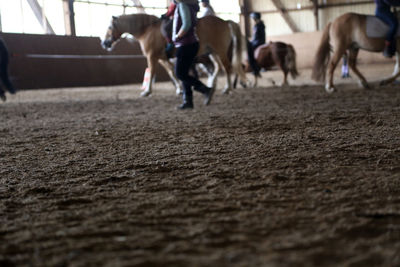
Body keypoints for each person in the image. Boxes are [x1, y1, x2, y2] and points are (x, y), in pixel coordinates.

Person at [173, 0, 214, 110]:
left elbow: (186, 24)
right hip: (190, 43)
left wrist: (177, 36)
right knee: (185, 73)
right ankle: (188, 101)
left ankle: (205, 89)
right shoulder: (191, 5)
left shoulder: (183, 5)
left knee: (180, 73)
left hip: (185, 44)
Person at [247, 12, 265, 77]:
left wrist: (251, 41)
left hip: (258, 42)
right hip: (260, 41)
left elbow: (256, 36)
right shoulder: (261, 24)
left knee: (249, 52)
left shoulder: (257, 25)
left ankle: (255, 69)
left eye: (253, 18)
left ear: (255, 18)